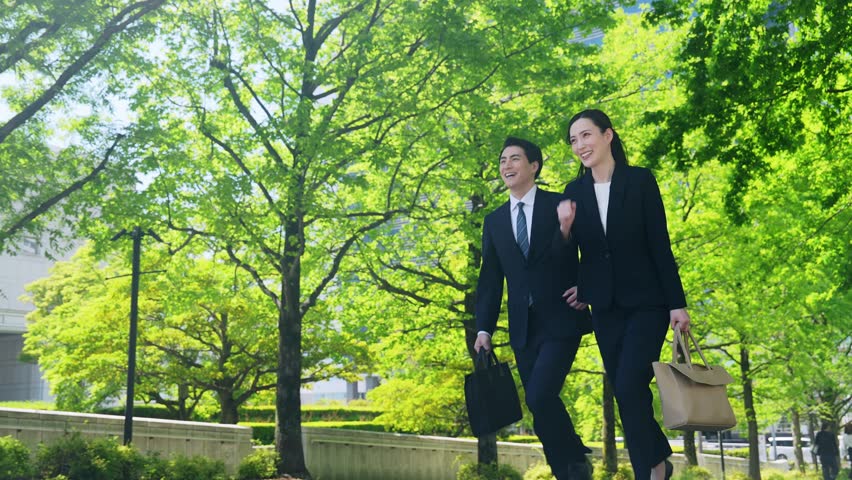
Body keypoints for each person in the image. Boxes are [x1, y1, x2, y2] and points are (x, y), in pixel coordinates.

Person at [555, 109, 690, 480]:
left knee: (630, 383)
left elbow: (659, 244)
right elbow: (572, 255)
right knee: (627, 391)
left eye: (586, 135)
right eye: (573, 140)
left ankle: (654, 467)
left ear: (608, 135)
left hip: (648, 302)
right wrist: (565, 230)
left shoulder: (641, 181)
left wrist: (677, 303)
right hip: (605, 306)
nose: (580, 145)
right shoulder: (573, 193)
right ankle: (657, 464)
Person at [474, 136, 594, 480]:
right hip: (522, 327)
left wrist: (586, 286)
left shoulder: (561, 204)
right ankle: (568, 471)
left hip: (562, 319)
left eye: (514, 159)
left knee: (540, 395)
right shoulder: (494, 221)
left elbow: (592, 253)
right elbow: (491, 279)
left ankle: (573, 456)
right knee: (539, 406)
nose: (506, 166)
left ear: (534, 166)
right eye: (502, 161)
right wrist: (484, 328)